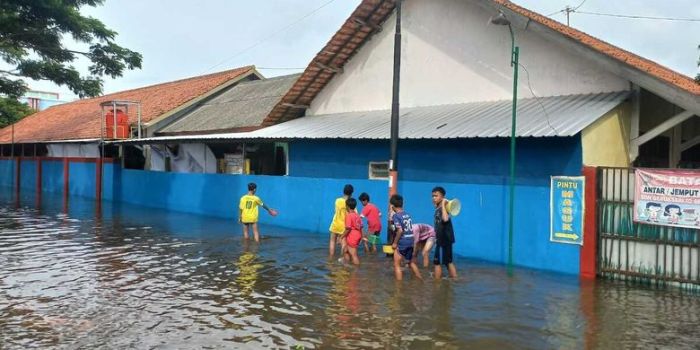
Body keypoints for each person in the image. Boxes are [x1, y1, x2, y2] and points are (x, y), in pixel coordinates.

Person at [390, 194, 422, 281]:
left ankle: (399, 287)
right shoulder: (407, 214)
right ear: (402, 204)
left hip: (402, 242)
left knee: (397, 264)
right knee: (411, 262)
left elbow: (400, 230)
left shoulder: (396, 216)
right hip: (411, 241)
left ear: (392, 206)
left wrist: (395, 243)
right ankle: (420, 279)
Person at [432, 186, 457, 279]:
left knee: (437, 262)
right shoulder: (437, 208)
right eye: (432, 196)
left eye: (436, 196)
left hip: (445, 239)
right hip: (441, 239)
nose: (433, 198)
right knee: (447, 262)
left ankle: (437, 284)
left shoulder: (445, 208)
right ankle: (454, 280)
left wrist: (443, 204)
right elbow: (438, 224)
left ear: (442, 197)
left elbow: (445, 219)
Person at [329, 184, 353, 258]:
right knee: (344, 244)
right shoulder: (350, 203)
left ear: (343, 191)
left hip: (335, 224)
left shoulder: (337, 200)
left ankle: (331, 257)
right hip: (344, 226)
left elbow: (335, 211)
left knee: (332, 241)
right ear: (351, 193)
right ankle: (342, 259)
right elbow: (353, 214)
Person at [343, 197, 362, 265]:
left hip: (352, 236)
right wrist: (361, 237)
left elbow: (348, 228)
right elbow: (361, 227)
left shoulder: (349, 216)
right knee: (346, 251)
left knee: (353, 254)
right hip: (358, 235)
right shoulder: (357, 215)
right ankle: (347, 265)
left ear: (347, 206)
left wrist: (341, 236)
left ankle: (356, 270)